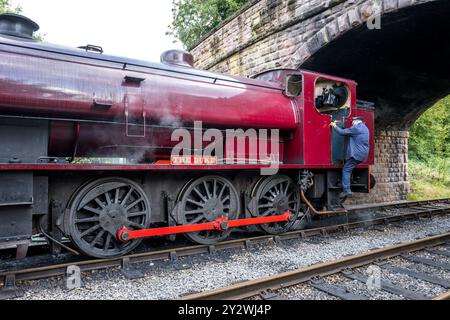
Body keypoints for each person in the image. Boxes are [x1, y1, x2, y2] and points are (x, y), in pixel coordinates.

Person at [331, 116, 370, 200]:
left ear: (356, 121)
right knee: (349, 168)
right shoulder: (365, 128)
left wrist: (334, 125)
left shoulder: (357, 128)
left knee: (346, 169)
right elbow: (350, 133)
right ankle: (345, 184)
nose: (352, 123)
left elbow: (341, 132)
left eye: (352, 122)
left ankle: (347, 190)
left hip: (356, 154)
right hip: (362, 155)